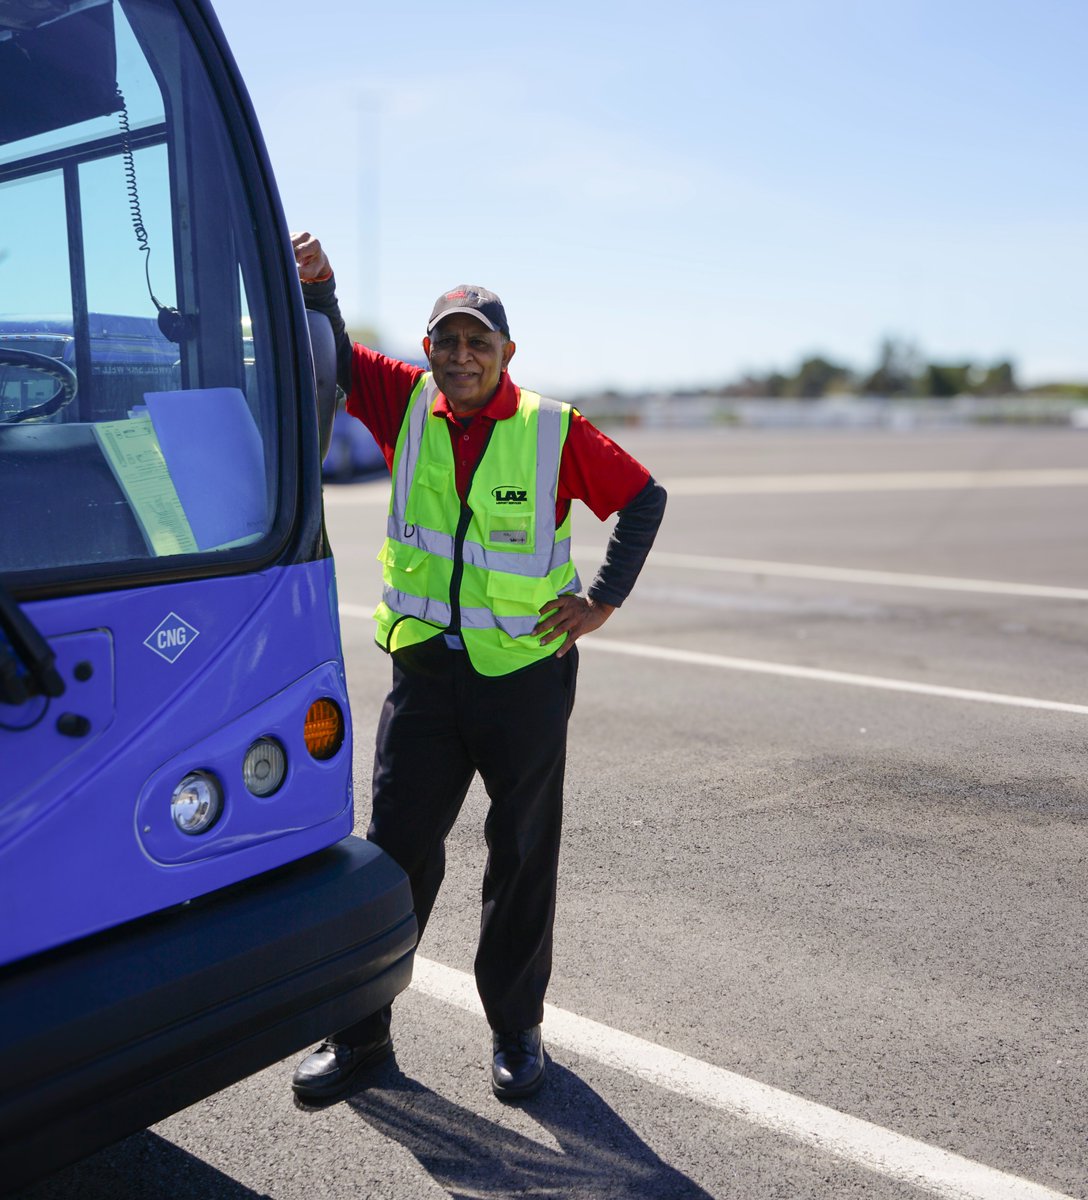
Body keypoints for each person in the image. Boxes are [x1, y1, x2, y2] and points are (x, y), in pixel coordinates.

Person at [290, 232, 666, 1102]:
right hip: (426, 675)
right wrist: (322, 283)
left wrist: (602, 600)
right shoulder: (406, 402)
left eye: (478, 342)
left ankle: (517, 1029)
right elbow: (333, 351)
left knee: (522, 853)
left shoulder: (551, 428)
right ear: (429, 348)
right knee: (393, 854)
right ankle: (360, 1035)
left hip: (524, 679)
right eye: (447, 340)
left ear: (506, 352)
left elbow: (643, 498)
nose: (461, 355)